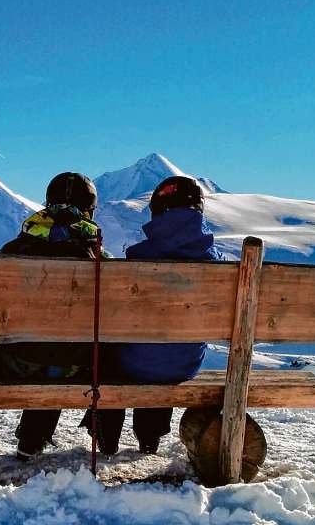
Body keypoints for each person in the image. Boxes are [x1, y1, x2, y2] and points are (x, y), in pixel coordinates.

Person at [0, 171, 109, 461]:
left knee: (38, 350)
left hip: (13, 364)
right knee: (60, 354)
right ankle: (39, 439)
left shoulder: (12, 251)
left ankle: (5, 439)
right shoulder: (99, 257)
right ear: (90, 209)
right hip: (76, 366)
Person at [90, 175, 224, 455]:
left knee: (119, 355)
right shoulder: (216, 262)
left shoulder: (140, 256)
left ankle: (106, 436)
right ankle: (149, 438)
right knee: (164, 350)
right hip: (186, 364)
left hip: (135, 364)